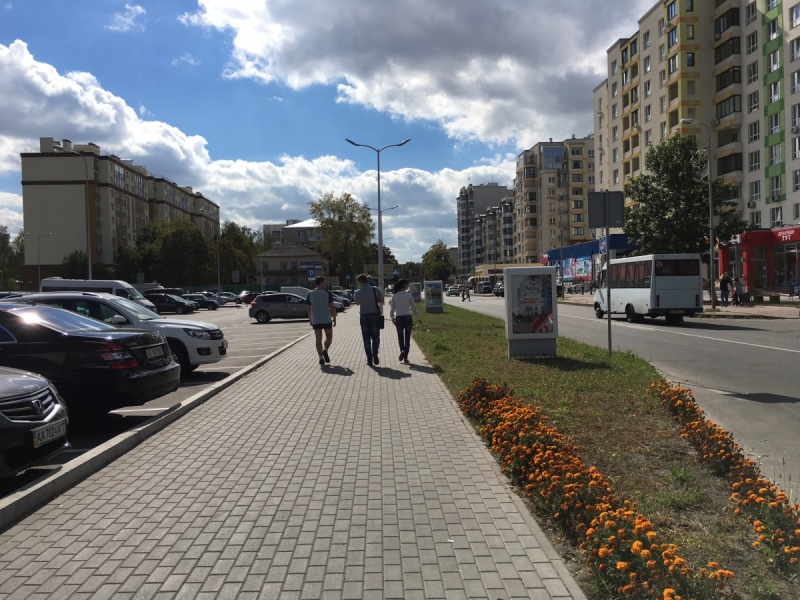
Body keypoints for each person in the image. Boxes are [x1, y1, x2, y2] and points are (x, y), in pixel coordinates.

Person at [354, 273, 384, 366]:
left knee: (366, 339)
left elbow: (357, 303)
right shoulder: (375, 289)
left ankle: (369, 359)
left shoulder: (357, 292)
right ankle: (375, 352)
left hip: (364, 317)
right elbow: (381, 299)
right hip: (374, 316)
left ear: (360, 281)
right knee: (376, 337)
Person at [306, 276, 336, 366]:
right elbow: (332, 307)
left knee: (318, 339)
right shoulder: (327, 293)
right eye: (324, 281)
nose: (325, 283)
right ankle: (325, 350)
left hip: (316, 319)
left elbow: (308, 308)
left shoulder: (310, 293)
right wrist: (334, 318)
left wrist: (310, 319)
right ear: (321, 282)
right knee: (329, 336)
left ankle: (320, 358)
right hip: (326, 318)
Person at [390, 279, 422, 364]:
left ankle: (402, 350)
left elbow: (392, 308)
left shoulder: (395, 296)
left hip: (399, 319)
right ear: (404, 285)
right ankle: (405, 357)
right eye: (407, 285)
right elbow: (414, 307)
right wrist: (418, 317)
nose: (408, 286)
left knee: (400, 337)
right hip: (408, 318)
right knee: (407, 338)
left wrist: (392, 318)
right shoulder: (409, 295)